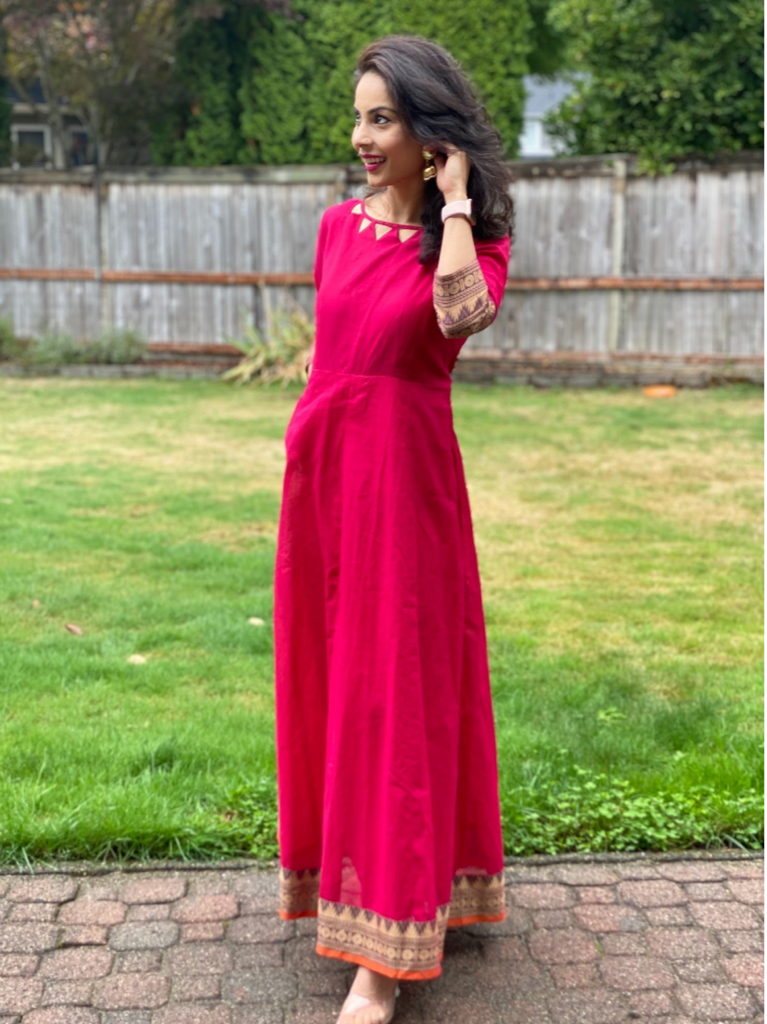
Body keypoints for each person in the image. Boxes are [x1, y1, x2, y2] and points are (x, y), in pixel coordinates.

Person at [274, 35, 514, 1024]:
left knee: (399, 693)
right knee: (332, 681)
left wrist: (451, 205)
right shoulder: (335, 227)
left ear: (431, 133)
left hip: (405, 486)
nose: (361, 136)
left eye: (382, 118)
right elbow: (332, 346)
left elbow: (457, 319)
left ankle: (387, 952)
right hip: (323, 479)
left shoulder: (472, 243)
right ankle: (352, 890)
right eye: (358, 117)